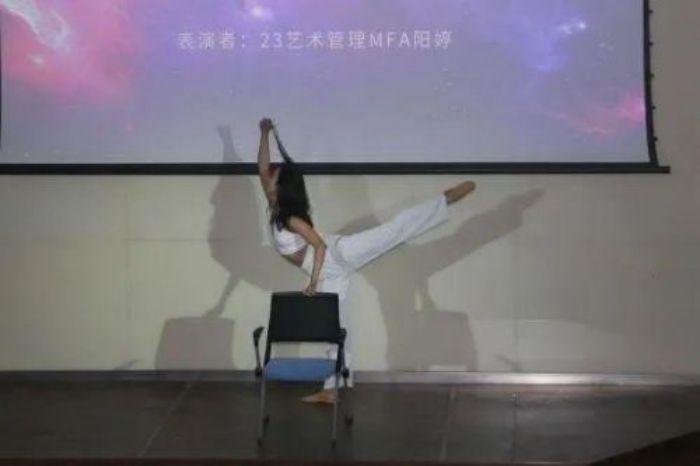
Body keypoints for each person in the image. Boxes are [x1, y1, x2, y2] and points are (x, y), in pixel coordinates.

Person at [257, 117, 476, 403]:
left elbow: (320, 246)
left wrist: (312, 282)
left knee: (392, 231)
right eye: (270, 176)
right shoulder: (275, 203)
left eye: (273, 176)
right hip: (328, 270)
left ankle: (444, 200)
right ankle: (334, 386)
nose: (268, 177)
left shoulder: (290, 218)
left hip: (336, 254)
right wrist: (264, 134)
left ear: (282, 185)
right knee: (334, 325)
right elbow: (261, 167)